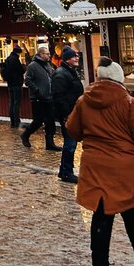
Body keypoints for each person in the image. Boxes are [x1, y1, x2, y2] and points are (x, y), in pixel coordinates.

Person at [66, 56, 134, 266]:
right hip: (125, 166)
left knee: (101, 215)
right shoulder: (128, 102)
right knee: (133, 212)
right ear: (118, 78)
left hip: (96, 164)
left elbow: (72, 129)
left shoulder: (83, 100)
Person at [51, 46, 84, 183]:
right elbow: (58, 97)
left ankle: (64, 170)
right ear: (67, 59)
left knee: (71, 142)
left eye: (77, 56)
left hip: (73, 112)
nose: (77, 58)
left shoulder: (70, 72)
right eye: (73, 56)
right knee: (70, 143)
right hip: (68, 113)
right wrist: (66, 115)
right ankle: (66, 171)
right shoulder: (61, 74)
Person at [21, 44, 61, 151]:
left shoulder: (48, 65)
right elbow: (27, 80)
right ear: (41, 54)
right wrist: (37, 90)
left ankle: (50, 143)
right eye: (47, 54)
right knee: (38, 121)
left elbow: (52, 76)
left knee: (50, 121)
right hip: (38, 98)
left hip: (49, 97)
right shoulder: (33, 66)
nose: (49, 55)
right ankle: (26, 134)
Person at [0, 42, 25, 129]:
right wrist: (24, 66)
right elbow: (21, 70)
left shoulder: (8, 59)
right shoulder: (15, 59)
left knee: (12, 102)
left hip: (10, 84)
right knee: (16, 103)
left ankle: (12, 122)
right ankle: (16, 121)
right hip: (17, 84)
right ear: (18, 52)